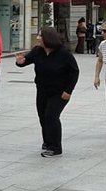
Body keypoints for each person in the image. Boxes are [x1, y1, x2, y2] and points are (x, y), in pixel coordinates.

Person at [15, 27, 79, 158]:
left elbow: (74, 72)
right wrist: (20, 62)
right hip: (42, 90)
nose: (37, 38)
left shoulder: (64, 54)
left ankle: (55, 148)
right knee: (43, 116)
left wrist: (68, 90)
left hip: (60, 92)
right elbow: (25, 61)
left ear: (48, 38)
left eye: (40, 36)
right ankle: (47, 141)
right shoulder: (37, 51)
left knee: (51, 116)